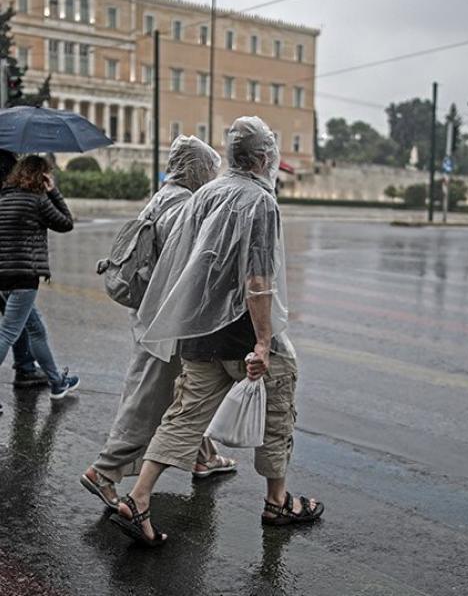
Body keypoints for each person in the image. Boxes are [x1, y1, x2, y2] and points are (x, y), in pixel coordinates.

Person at [111, 117, 323, 546]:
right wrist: (264, 342)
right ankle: (277, 502)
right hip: (244, 333)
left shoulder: (205, 194)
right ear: (264, 159)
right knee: (277, 410)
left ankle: (137, 498)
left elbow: (186, 261)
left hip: (199, 333)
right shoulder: (260, 203)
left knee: (184, 418)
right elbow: (258, 280)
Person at [80, 136, 232, 511]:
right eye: (209, 170)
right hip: (165, 319)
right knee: (150, 397)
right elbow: (188, 269)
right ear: (196, 169)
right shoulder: (185, 207)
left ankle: (204, 455)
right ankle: (105, 470)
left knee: (186, 388)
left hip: (152, 313)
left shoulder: (162, 196)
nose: (212, 177)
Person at [0, 155, 79, 404]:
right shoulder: (37, 201)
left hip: (2, 278)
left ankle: (57, 382)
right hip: (25, 277)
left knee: (36, 329)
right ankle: (56, 382)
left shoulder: (3, 198)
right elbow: (66, 223)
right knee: (8, 334)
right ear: (41, 176)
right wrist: (53, 191)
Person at [0, 150, 49, 395]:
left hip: (8, 263)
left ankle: (28, 367)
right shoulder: (5, 162)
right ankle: (27, 368)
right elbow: (64, 221)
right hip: (14, 265)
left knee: (23, 322)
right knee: (10, 327)